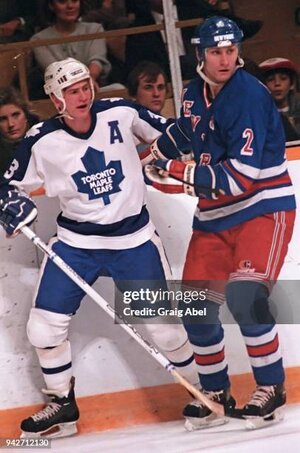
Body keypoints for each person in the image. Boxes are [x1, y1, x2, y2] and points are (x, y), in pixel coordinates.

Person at [0, 57, 199, 438]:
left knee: (166, 332)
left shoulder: (121, 113)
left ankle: (203, 390)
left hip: (134, 241)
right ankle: (62, 404)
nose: (82, 95)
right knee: (43, 328)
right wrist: (11, 203)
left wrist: (183, 136)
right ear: (56, 99)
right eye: (72, 91)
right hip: (77, 244)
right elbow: (8, 185)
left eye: (85, 87)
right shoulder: (40, 139)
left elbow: (171, 133)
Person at [144, 17, 296, 430]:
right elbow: (185, 129)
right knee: (196, 308)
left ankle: (270, 386)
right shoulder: (194, 92)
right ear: (200, 55)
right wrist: (150, 153)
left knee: (245, 297)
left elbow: (238, 178)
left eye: (230, 51)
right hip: (215, 217)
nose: (225, 59)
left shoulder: (248, 96)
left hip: (262, 208)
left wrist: (173, 168)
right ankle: (214, 391)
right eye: (216, 52)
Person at [29, 0, 123, 99]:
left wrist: (89, 80)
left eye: (74, 1)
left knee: (119, 89)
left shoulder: (95, 29)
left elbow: (97, 59)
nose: (70, 6)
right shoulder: (38, 39)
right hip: (61, 96)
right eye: (63, 2)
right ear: (51, 6)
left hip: (92, 88)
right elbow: (56, 71)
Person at [0, 87, 39, 176]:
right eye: (3, 119)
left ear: (26, 115)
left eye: (16, 115)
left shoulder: (45, 137)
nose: (10, 124)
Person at [259, 57, 300, 141]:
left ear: (291, 84)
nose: (277, 83)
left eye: (283, 78)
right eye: (270, 79)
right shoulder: (258, 117)